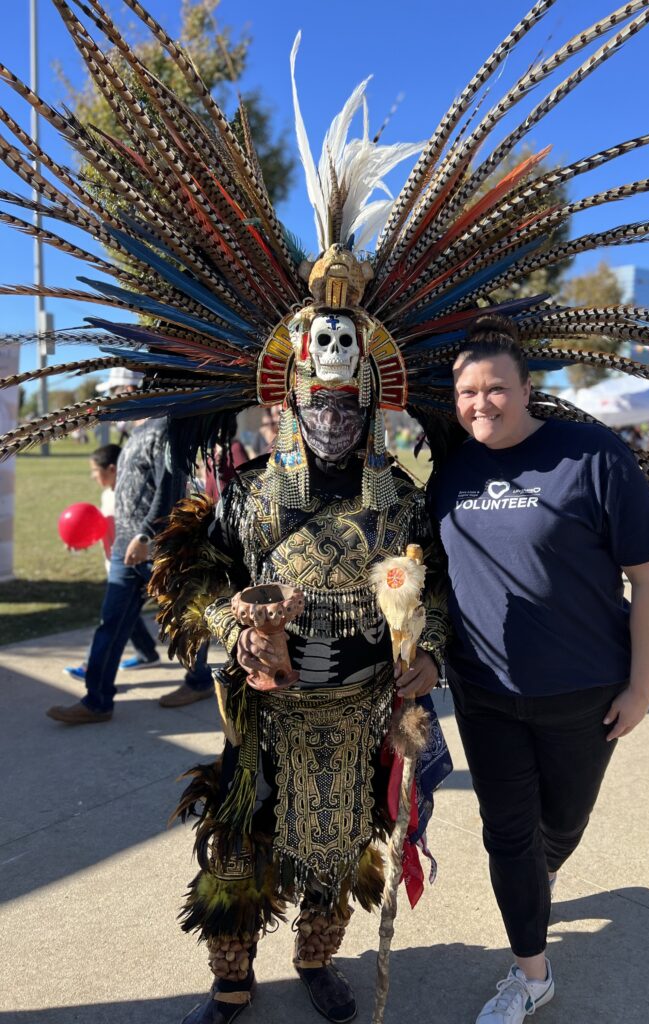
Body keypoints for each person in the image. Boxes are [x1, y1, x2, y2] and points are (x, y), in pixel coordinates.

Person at [150, 273, 451, 1024]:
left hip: (356, 720)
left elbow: (439, 590)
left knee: (343, 847)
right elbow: (194, 571)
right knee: (238, 847)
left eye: (348, 403)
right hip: (265, 721)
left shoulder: (403, 502)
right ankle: (231, 980)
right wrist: (235, 625)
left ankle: (316, 959)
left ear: (373, 403)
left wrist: (431, 654)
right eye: (318, 400)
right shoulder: (251, 496)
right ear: (288, 401)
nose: (333, 415)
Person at [430, 318, 649, 1024]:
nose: (481, 403)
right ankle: (530, 973)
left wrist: (643, 686)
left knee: (559, 826)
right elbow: (433, 576)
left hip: (584, 692)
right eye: (467, 391)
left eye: (496, 388)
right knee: (507, 832)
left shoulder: (593, 456)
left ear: (527, 388)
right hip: (484, 693)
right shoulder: (451, 469)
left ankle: (543, 872)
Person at [47, 371, 214, 724]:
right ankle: (97, 701)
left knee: (185, 618)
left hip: (156, 548)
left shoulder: (165, 428)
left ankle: (199, 680)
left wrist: (144, 537)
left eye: (115, 392)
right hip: (129, 549)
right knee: (111, 623)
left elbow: (169, 487)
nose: (112, 399)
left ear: (132, 390)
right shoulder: (137, 431)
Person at [63, 442, 161, 681]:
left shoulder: (133, 495)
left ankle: (90, 668)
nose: (93, 476)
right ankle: (147, 653)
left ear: (112, 469)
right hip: (118, 566)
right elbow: (101, 529)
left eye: (95, 470)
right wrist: (80, 542)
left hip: (142, 566)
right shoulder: (106, 495)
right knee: (125, 615)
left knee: (113, 620)